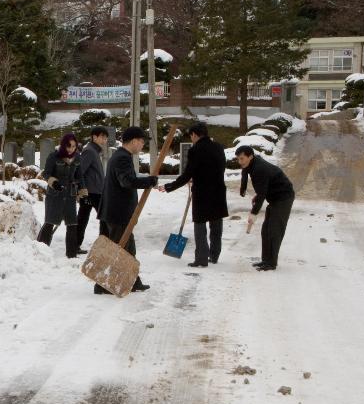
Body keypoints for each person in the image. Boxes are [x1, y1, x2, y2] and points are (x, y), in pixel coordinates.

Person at [96, 126, 158, 294]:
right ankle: (102, 285)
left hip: (115, 211)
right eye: (142, 141)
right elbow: (127, 181)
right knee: (119, 248)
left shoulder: (121, 156)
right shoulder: (122, 158)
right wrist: (149, 181)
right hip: (118, 212)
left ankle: (134, 281)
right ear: (134, 141)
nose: (142, 145)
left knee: (125, 247)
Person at [158, 122, 228, 267]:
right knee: (216, 223)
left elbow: (187, 174)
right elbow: (220, 167)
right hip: (218, 190)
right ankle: (214, 255)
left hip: (202, 192)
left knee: (200, 224)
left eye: (191, 136)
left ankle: (202, 258)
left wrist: (169, 186)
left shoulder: (195, 150)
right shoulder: (219, 147)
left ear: (195, 135)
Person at [236, 146, 295, 271]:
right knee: (265, 230)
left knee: (274, 230)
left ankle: (271, 263)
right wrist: (244, 189)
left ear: (250, 156)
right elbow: (245, 174)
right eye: (238, 159)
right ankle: (265, 260)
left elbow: (262, 194)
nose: (240, 162)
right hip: (273, 196)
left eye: (242, 159)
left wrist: (253, 213)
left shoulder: (259, 169)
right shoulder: (249, 164)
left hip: (283, 196)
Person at [39, 133, 82, 257]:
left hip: (70, 195)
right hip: (55, 194)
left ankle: (72, 254)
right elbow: (46, 173)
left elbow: (79, 176)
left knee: (72, 224)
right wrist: (53, 182)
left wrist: (82, 191)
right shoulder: (54, 156)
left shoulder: (77, 158)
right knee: (50, 222)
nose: (71, 149)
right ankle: (41, 251)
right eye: (69, 146)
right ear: (63, 145)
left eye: (74, 146)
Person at [74, 126, 108, 254]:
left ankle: (74, 245)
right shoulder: (90, 151)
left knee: (83, 218)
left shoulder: (94, 151)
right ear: (94, 137)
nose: (104, 140)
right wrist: (82, 190)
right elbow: (80, 171)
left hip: (94, 191)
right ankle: (104, 245)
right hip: (91, 192)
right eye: (102, 137)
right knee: (105, 216)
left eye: (105, 138)